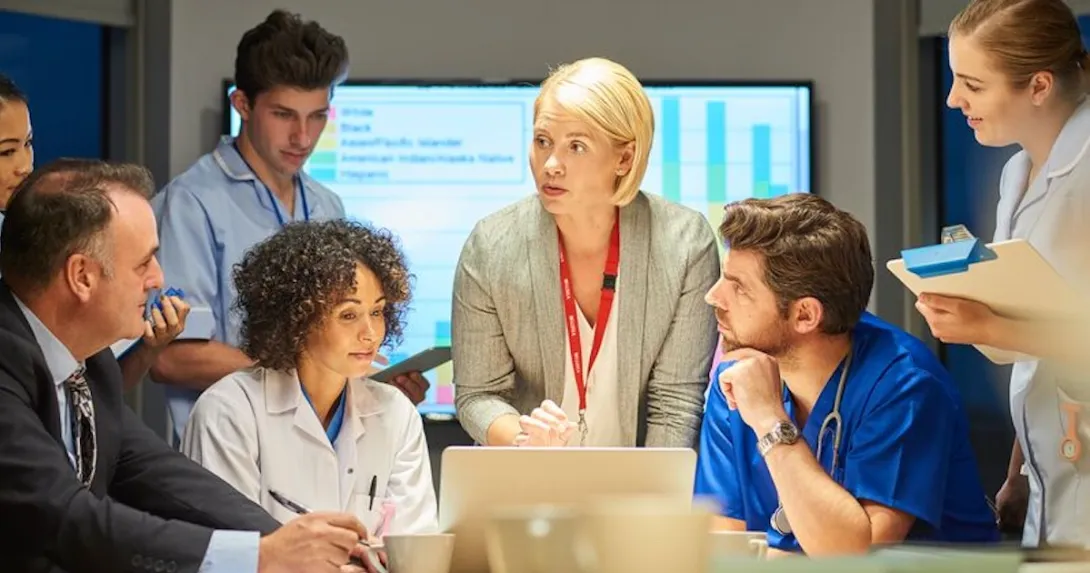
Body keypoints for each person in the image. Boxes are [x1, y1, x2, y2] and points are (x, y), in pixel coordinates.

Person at [0, 158, 380, 573]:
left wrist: (288, 542)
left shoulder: (91, 363)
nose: (158, 279)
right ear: (82, 276)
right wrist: (259, 558)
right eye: (144, 262)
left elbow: (154, 471)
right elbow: (65, 517)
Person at [151, 10, 428, 443]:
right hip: (228, 452)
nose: (303, 136)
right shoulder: (192, 203)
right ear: (242, 104)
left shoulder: (326, 204)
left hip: (323, 450)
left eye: (317, 116)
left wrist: (369, 378)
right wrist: (304, 372)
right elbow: (171, 358)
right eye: (284, 115)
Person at [694, 193, 999, 557]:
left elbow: (855, 557)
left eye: (738, 287)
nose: (713, 297)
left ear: (805, 315)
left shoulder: (905, 386)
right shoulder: (737, 376)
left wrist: (770, 420)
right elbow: (724, 545)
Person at [452, 57, 719, 448]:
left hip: (639, 487)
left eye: (576, 146)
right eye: (542, 141)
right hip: (524, 485)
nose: (551, 164)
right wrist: (526, 440)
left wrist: (651, 504)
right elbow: (478, 394)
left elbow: (675, 404)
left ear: (624, 158)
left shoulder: (685, 244)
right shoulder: (491, 245)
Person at [918, 0, 1090, 548]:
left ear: (1038, 85)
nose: (952, 99)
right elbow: (1038, 328)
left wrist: (988, 329)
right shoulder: (1016, 173)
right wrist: (1018, 472)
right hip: (1050, 474)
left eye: (972, 83)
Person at [182, 219, 439, 539]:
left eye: (377, 312)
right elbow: (228, 553)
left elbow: (414, 547)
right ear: (298, 319)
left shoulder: (396, 413)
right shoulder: (228, 413)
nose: (370, 333)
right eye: (348, 315)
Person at [0, 72, 189, 392]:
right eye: (5, 152)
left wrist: (147, 347)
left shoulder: (26, 227)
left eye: (28, 144)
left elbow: (93, 406)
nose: (24, 166)